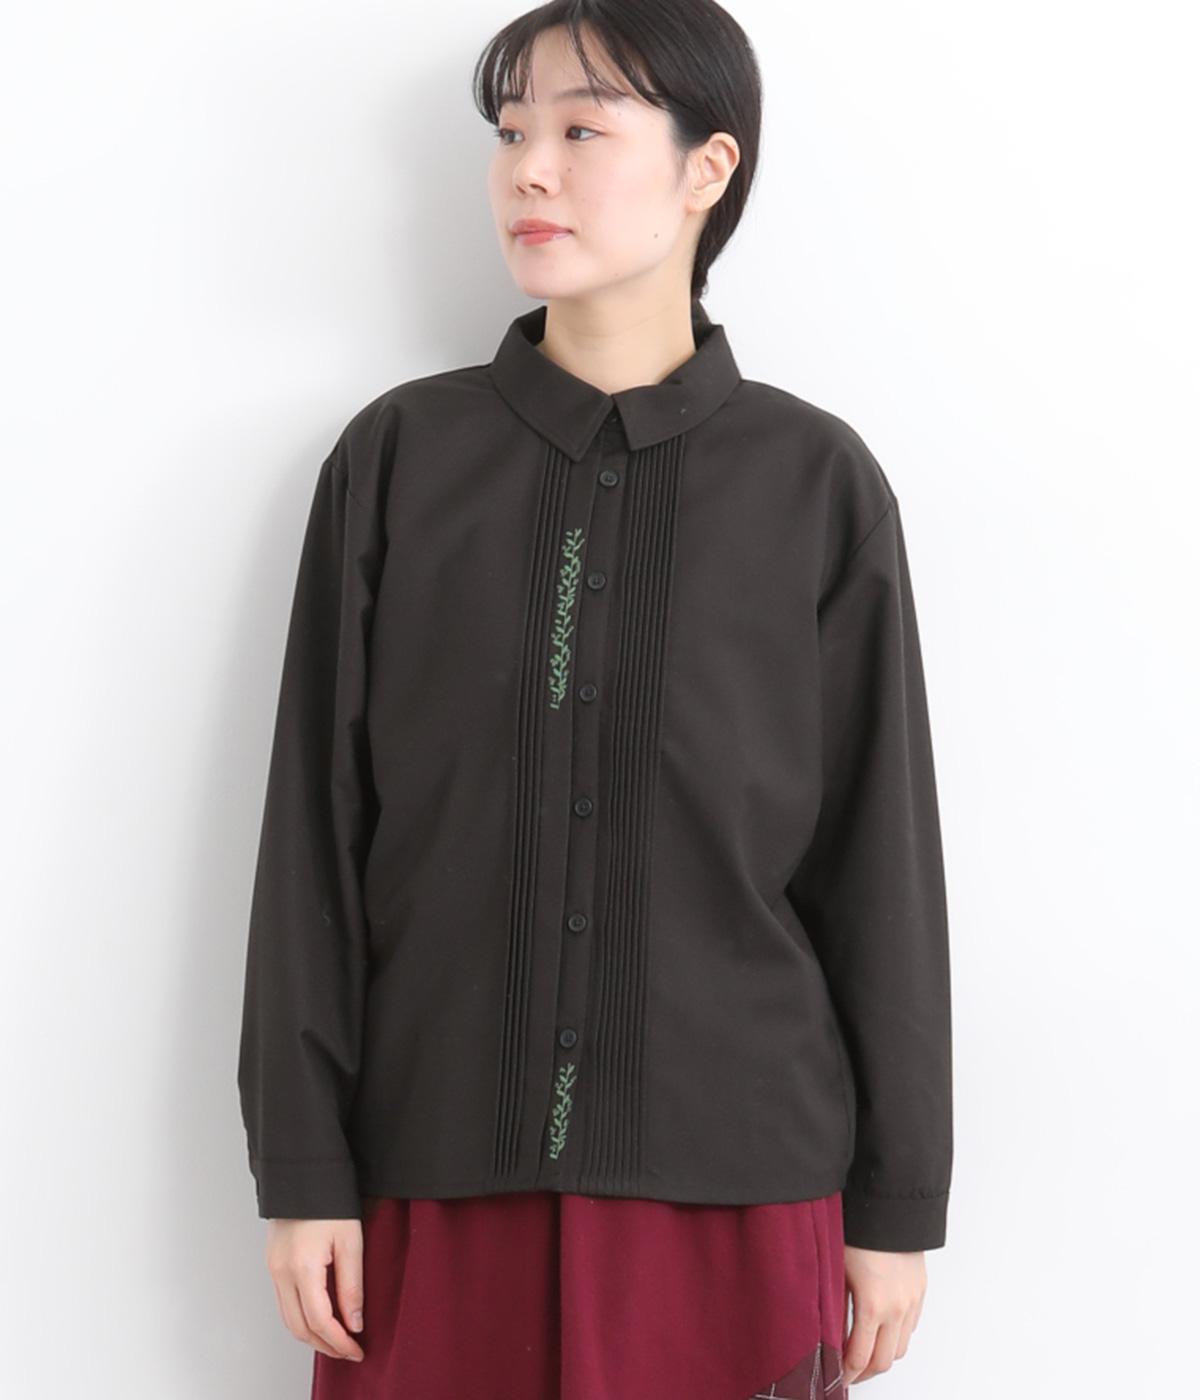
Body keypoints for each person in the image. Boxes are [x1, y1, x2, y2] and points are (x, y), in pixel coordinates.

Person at [236, 3, 954, 1396]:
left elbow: (881, 864)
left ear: (707, 168)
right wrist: (304, 1168)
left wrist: (896, 1204)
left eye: (582, 129)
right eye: (511, 132)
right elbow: (311, 840)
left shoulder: (815, 485)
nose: (529, 170)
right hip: (435, 1180)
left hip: (739, 1189)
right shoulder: (397, 461)